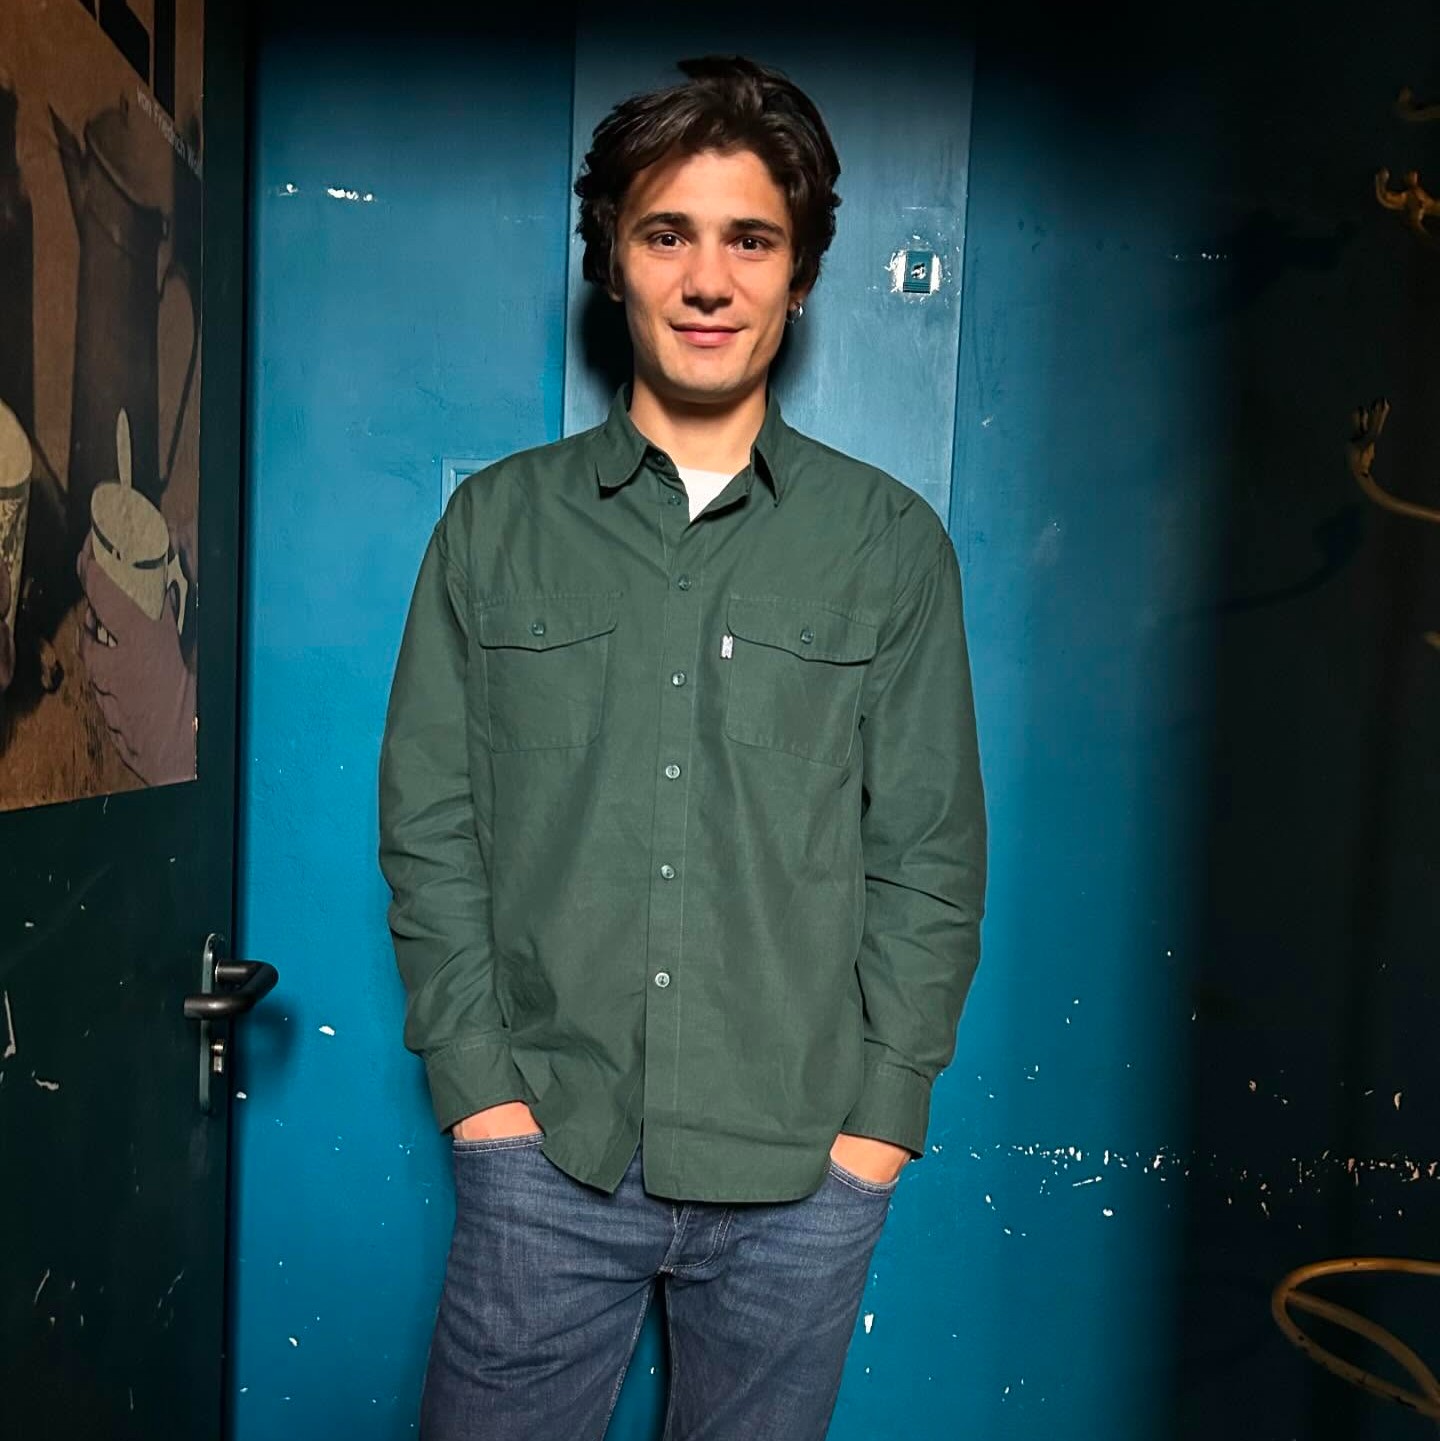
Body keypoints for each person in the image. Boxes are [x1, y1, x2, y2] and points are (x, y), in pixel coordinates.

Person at [379, 54, 986, 1441]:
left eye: (750, 239)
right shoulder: (495, 526)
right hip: (548, 1155)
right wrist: (481, 1099)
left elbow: (929, 854)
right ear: (614, 263)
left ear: (800, 274)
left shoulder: (889, 546)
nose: (709, 280)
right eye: (667, 234)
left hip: (803, 1175)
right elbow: (430, 824)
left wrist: (876, 1132)